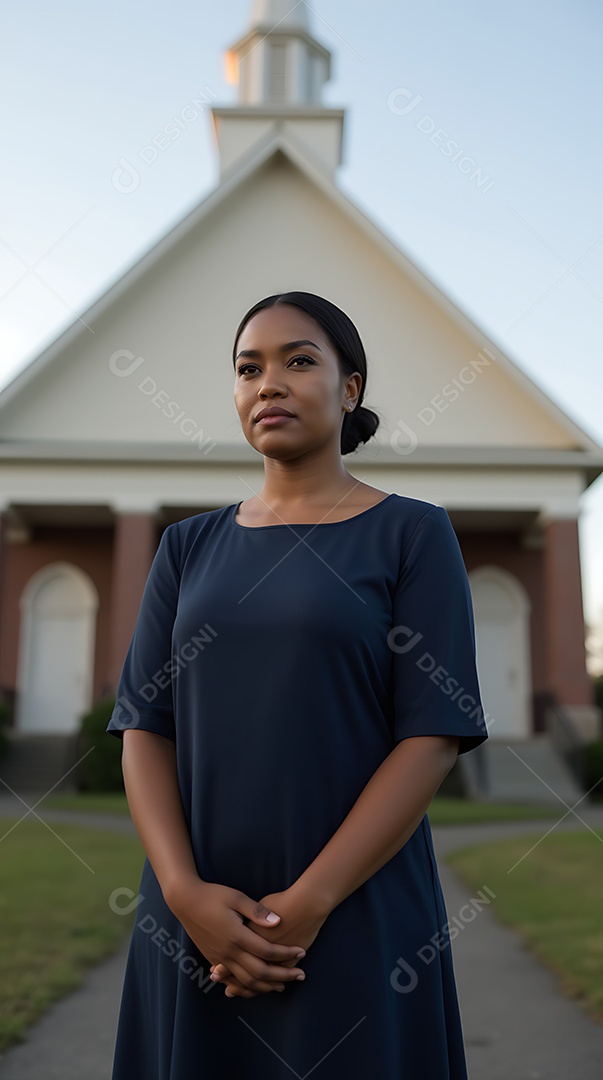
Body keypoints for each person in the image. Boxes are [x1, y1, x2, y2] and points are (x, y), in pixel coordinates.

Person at [106, 290, 489, 1078]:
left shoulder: (413, 533)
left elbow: (431, 736)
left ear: (349, 389)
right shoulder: (185, 548)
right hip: (195, 919)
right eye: (249, 368)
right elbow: (144, 725)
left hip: (354, 914)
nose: (267, 383)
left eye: (298, 361)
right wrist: (183, 894)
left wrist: (304, 907)